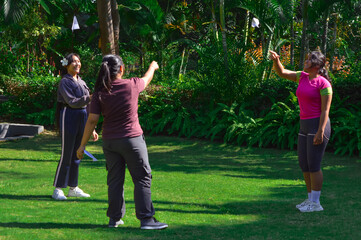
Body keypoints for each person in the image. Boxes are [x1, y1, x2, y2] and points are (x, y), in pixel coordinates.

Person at [76, 55, 168, 230]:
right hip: (132, 140)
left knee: (115, 181)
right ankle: (146, 220)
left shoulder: (99, 92)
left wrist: (82, 145)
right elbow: (146, 79)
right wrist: (153, 66)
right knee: (142, 178)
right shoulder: (131, 85)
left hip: (110, 142)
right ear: (121, 70)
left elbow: (92, 120)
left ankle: (114, 219)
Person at [269, 50, 332, 212]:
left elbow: (325, 111)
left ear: (317, 65)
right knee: (304, 164)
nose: (305, 61)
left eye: (309, 60)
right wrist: (276, 60)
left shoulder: (324, 84)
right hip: (304, 125)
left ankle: (316, 203)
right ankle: (310, 199)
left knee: (314, 164)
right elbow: (282, 72)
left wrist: (320, 131)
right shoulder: (302, 76)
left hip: (318, 125)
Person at [52, 53, 98, 200]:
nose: (77, 64)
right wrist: (90, 97)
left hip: (83, 116)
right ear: (66, 65)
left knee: (78, 153)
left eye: (78, 61)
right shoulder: (64, 82)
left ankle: (73, 187)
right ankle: (58, 189)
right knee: (67, 153)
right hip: (69, 116)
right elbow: (72, 101)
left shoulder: (81, 81)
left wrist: (92, 128)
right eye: (73, 62)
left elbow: (88, 105)